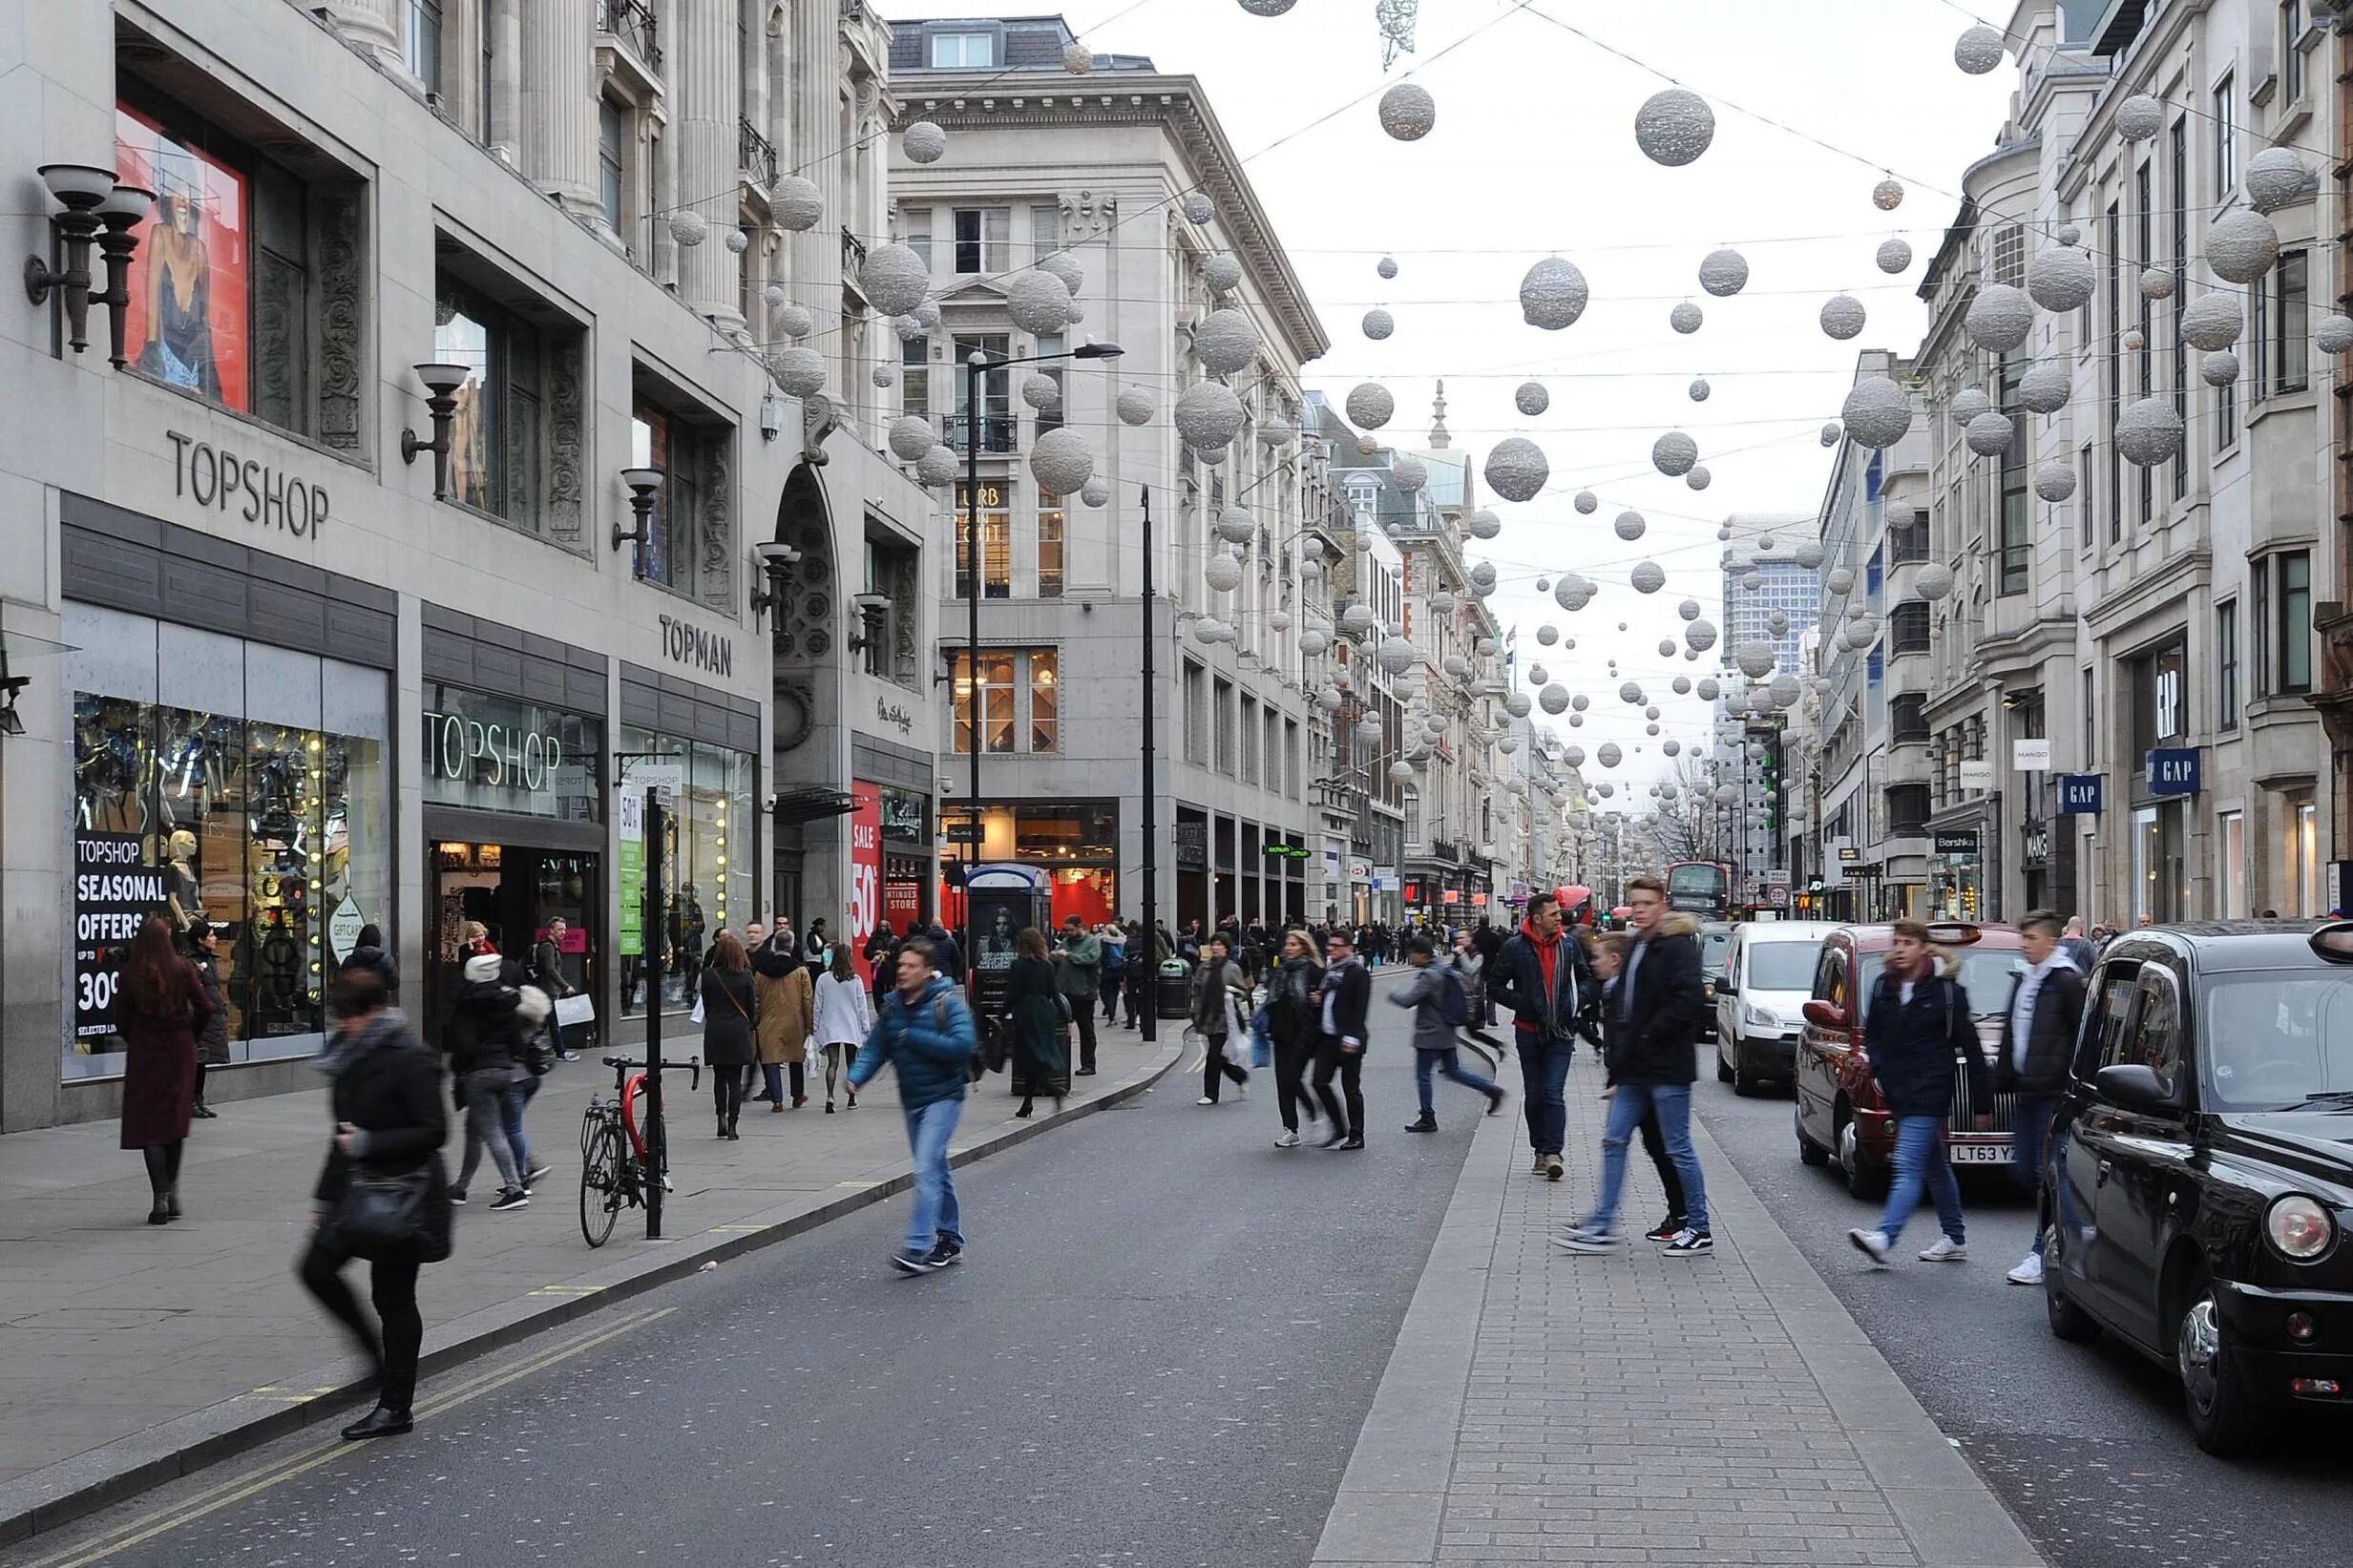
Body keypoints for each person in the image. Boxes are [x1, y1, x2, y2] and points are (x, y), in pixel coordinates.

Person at [300, 966, 451, 1441]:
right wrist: (325, 1196)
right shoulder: (349, 1055)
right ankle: (373, 1358)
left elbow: (434, 1131)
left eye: (349, 1017)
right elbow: (341, 1131)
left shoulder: (410, 1057)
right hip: (357, 1189)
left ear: (373, 1010)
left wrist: (369, 1144)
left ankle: (395, 1406)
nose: (343, 1026)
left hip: (404, 1194)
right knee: (315, 1269)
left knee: (394, 1297)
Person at [1557, 875, 1713, 1256]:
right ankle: (1603, 1224)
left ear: (1663, 905)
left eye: (1647, 903)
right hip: (1635, 1070)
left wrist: (1650, 1034)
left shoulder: (1675, 947)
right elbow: (1625, 1011)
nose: (1640, 910)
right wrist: (1618, 1070)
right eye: (1636, 904)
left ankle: (1699, 1227)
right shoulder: (1638, 946)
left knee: (1677, 1148)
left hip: (1667, 1067)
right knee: (1613, 1139)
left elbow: (1688, 1000)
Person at [1846, 918, 1992, 1268]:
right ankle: (1955, 1237)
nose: (1899, 948)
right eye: (1896, 942)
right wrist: (1877, 1067)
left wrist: (1981, 1103)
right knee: (1935, 1166)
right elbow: (1875, 1037)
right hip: (1898, 1090)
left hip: (1930, 1091)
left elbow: (1972, 1048)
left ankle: (1885, 1237)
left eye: (1907, 943)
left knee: (1907, 1164)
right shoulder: (1884, 986)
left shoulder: (1946, 993)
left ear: (1925, 948)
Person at [848, 939, 978, 1272]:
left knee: (925, 1168)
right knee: (936, 1167)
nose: (902, 971)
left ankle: (918, 1245)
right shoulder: (892, 1007)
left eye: (910, 966)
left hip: (944, 1098)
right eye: (901, 965)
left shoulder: (947, 1004)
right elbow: (877, 1047)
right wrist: (856, 1076)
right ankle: (950, 1239)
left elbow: (963, 1046)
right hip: (913, 1100)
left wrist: (914, 1038)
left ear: (927, 970)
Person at [1998, 910, 2087, 1286]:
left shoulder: (2065, 981)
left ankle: (2046, 1249)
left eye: (2030, 938)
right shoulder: (2025, 980)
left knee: (2049, 1173)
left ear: (2051, 941)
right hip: (2026, 1090)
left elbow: (2083, 1037)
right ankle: (2076, 1234)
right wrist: (2000, 1079)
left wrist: (2070, 1084)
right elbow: (2012, 1031)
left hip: (2054, 1093)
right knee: (2024, 1169)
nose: (2024, 943)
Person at [1584, 931, 1688, 1242]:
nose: (1593, 963)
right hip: (1635, 1078)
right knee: (1654, 1147)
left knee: (1665, 1149)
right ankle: (1678, 1215)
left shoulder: (1625, 991)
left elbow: (1629, 1037)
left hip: (1645, 1078)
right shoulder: (1613, 989)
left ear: (1615, 961)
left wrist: (1621, 1078)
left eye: (1597, 957)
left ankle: (1684, 1217)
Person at [1486, 890, 1592, 1182]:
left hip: (1561, 1031)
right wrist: (1522, 1003)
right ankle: (1539, 1151)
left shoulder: (1569, 946)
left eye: (1559, 913)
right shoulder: (1515, 947)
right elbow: (1494, 985)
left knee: (1552, 1093)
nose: (1560, 918)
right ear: (1537, 918)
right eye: (1554, 914)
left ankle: (1554, 1153)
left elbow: (1586, 979)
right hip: (1529, 1031)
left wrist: (1576, 1001)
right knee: (1534, 1096)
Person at [116, 915, 214, 1223]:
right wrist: (189, 1034)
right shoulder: (183, 969)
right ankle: (171, 1191)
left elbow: (120, 1017)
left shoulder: (130, 974)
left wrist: (136, 1037)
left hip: (146, 1051)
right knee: (174, 1121)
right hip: (179, 1048)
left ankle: (159, 1196)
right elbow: (207, 1007)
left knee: (150, 1125)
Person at [443, 951, 532, 1209]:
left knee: (493, 1132)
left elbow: (463, 1045)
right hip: (504, 1071)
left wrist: (459, 1068)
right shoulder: (507, 1002)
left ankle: (515, 1188)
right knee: (475, 1131)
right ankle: (460, 1188)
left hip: (479, 1074)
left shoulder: (467, 1004)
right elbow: (517, 1043)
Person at [1394, 933, 1506, 1131]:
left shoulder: (1429, 975)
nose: (1411, 958)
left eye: (1412, 954)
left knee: (1423, 1075)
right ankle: (1490, 1089)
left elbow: (1408, 1001)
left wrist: (1393, 994)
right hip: (1446, 1029)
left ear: (1421, 954)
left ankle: (1427, 1116)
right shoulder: (1442, 969)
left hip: (1430, 1034)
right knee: (1454, 1071)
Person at [1311, 928, 1372, 1148]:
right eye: (1330, 946)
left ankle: (1357, 1135)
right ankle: (1338, 1127)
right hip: (1327, 1038)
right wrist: (1319, 1000)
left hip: (1349, 1040)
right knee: (1318, 1082)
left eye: (1336, 946)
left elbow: (1360, 1008)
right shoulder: (1329, 971)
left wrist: (1352, 1037)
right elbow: (1329, 1000)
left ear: (1348, 948)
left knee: (1351, 1089)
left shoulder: (1357, 972)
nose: (1331, 950)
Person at [1266, 930, 1326, 1148]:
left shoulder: (1314, 971)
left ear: (1304, 947)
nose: (1288, 948)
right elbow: (1272, 997)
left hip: (1303, 1032)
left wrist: (1319, 999)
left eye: (1293, 944)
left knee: (1292, 1078)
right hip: (1281, 1031)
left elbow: (1326, 998)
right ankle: (1290, 1129)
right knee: (1283, 1083)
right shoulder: (1281, 970)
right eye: (1287, 944)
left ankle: (1315, 1114)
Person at [700, 931, 758, 1139]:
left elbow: (706, 1005)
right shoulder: (745, 976)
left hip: (716, 1030)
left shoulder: (708, 975)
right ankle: (733, 1125)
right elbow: (752, 1008)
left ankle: (720, 1116)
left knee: (719, 1077)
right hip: (738, 1032)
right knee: (734, 1080)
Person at [1007, 927, 1068, 1119]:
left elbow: (1011, 994)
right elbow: (1054, 993)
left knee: (1027, 1060)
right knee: (1034, 1058)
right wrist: (1066, 1018)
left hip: (1026, 1013)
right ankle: (1027, 1104)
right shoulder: (1047, 965)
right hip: (1045, 1012)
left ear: (1024, 946)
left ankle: (1054, 1090)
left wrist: (1001, 1015)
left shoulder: (1018, 966)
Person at [751, 928, 814, 1111]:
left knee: (771, 1059)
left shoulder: (761, 972)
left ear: (773, 945)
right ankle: (797, 1095)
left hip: (768, 1021)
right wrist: (809, 1025)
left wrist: (756, 1021)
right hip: (794, 1021)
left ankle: (777, 1100)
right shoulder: (800, 970)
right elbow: (807, 1000)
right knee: (796, 1058)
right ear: (792, 945)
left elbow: (756, 999)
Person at [1188, 932, 1252, 1105]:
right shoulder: (1204, 968)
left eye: (1219, 945)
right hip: (1207, 1016)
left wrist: (1233, 993)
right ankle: (1241, 1076)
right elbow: (1197, 991)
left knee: (1213, 1055)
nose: (1215, 948)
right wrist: (1195, 1012)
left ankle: (1210, 1094)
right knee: (1219, 1057)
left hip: (1225, 1019)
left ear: (1226, 948)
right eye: (1213, 944)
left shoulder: (1232, 969)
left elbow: (1243, 992)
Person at [812, 944, 872, 1112]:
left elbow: (818, 1006)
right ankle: (852, 1098)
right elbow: (862, 1006)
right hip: (851, 1026)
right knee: (851, 1063)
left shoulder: (823, 979)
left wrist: (815, 1027)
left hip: (831, 1026)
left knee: (833, 1064)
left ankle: (830, 1097)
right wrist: (865, 1028)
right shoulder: (855, 980)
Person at [1052, 916, 1103, 1076]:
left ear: (1080, 926)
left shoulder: (1092, 941)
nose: (1067, 932)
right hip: (1064, 992)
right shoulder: (1066, 942)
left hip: (1084, 992)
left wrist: (1069, 956)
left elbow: (1091, 958)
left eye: (1070, 929)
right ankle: (1058, 1064)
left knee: (1086, 1029)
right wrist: (1054, 956)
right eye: (1066, 929)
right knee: (1059, 1028)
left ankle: (1088, 1064)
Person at [190, 922, 230, 1119]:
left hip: (210, 1016)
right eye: (211, 935)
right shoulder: (190, 961)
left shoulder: (210, 959)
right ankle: (191, 1102)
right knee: (195, 1062)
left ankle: (198, 1100)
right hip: (198, 1017)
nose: (215, 938)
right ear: (200, 939)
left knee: (202, 1061)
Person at [530, 917, 582, 1062]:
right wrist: (565, 986)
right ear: (551, 930)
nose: (563, 932)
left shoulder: (553, 946)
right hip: (548, 990)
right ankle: (560, 1052)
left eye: (564, 929)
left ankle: (538, 1050)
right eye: (559, 929)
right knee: (553, 1024)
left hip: (550, 990)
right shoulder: (548, 946)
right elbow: (550, 969)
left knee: (547, 1024)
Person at [344, 922, 398, 994]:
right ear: (378, 939)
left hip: (355, 1002)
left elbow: (342, 983)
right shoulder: (386, 960)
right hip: (377, 1002)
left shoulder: (350, 960)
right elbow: (394, 984)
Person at [1099, 923, 1126, 1025]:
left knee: (1104, 991)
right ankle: (1111, 1013)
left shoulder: (1104, 941)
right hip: (1119, 970)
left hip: (1107, 970)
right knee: (1114, 993)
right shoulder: (1122, 941)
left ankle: (1109, 1011)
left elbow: (1102, 956)